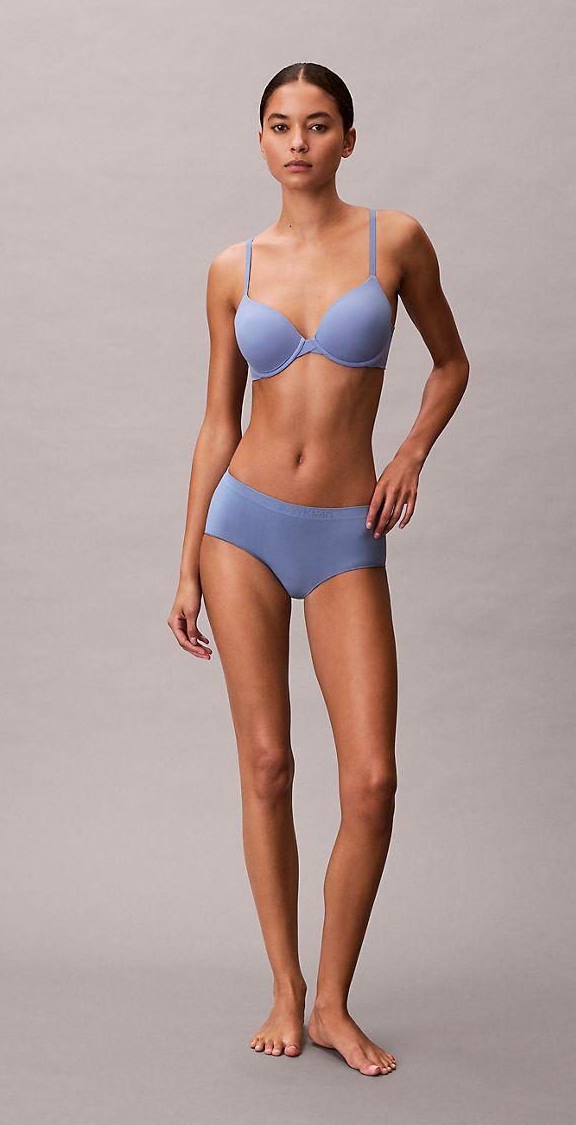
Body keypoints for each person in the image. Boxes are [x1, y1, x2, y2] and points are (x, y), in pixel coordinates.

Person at [168, 61, 470, 1077]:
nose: (298, 142)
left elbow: (452, 362)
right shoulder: (232, 268)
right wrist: (185, 564)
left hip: (345, 530)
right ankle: (286, 989)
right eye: (279, 125)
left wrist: (411, 452)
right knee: (267, 765)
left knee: (372, 780)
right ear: (260, 139)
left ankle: (336, 999)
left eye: (318, 124)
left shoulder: (396, 240)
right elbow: (217, 424)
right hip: (242, 528)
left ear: (348, 137)